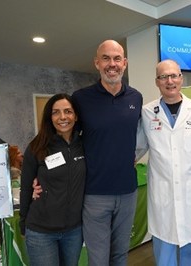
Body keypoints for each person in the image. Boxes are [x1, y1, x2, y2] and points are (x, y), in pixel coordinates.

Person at [135, 59, 191, 265]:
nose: (169, 81)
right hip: (162, 194)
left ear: (181, 78)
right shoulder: (146, 112)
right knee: (164, 248)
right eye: (163, 77)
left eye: (173, 76)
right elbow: (138, 147)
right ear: (157, 81)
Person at [72, 40, 143, 266]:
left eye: (116, 59)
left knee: (120, 255)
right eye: (106, 58)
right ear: (96, 63)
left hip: (128, 192)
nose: (112, 64)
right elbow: (68, 142)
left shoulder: (136, 98)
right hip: (94, 194)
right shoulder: (81, 99)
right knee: (99, 259)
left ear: (125, 63)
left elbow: (139, 137)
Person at [19, 93, 86, 266]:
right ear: (50, 117)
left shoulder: (85, 145)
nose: (63, 117)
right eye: (56, 112)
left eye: (68, 111)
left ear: (76, 115)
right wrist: (23, 222)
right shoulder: (37, 147)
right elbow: (26, 187)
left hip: (74, 231)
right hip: (41, 232)